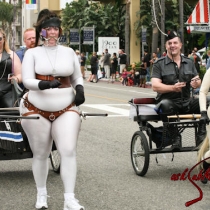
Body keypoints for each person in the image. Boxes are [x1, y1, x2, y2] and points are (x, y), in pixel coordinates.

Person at [20, 11, 85, 210]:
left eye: (55, 28)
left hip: (66, 108)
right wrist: (44, 85)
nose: (52, 32)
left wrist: (80, 88)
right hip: (35, 108)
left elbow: (76, 77)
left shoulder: (69, 52)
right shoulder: (32, 53)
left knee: (68, 150)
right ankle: (41, 195)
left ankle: (69, 199)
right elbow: (27, 80)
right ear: (41, 31)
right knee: (41, 153)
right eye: (48, 29)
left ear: (60, 31)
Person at [151, 30, 206, 150]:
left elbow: (197, 79)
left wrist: (196, 82)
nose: (172, 46)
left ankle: (201, 134)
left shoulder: (189, 62)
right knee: (164, 105)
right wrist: (172, 88)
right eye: (169, 43)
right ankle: (175, 137)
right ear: (166, 46)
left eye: (175, 43)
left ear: (180, 45)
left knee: (206, 101)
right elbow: (155, 86)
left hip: (187, 102)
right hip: (169, 103)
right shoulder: (159, 64)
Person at [0, 28, 22, 108]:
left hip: (7, 92)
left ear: (4, 39)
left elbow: (20, 74)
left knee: (12, 114)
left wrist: (16, 79)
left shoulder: (12, 55)